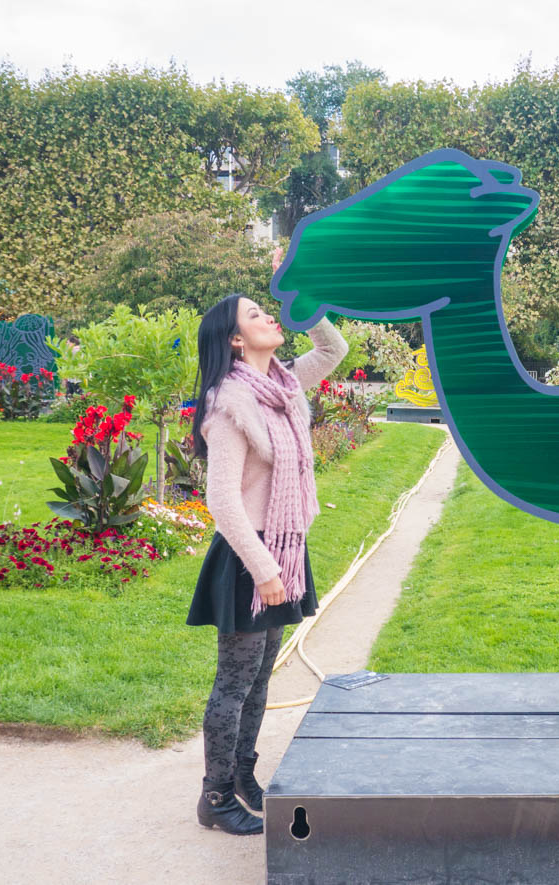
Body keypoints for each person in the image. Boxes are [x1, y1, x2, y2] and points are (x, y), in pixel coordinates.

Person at [185, 293, 347, 836]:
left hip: (283, 547)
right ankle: (215, 797)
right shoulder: (231, 404)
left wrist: (299, 298)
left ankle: (243, 777)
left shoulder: (281, 386)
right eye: (256, 315)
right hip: (250, 560)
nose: (269, 320)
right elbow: (223, 501)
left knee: (257, 681)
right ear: (234, 339)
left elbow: (334, 346)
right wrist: (265, 570)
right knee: (233, 684)